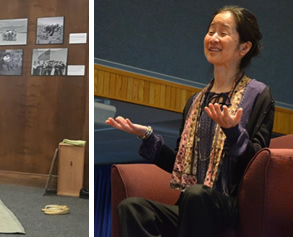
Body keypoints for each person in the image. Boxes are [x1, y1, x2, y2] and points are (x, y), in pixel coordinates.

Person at [106, 5, 274, 237]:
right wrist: (147, 136)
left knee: (196, 195)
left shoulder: (258, 94)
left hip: (230, 205)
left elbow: (259, 165)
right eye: (210, 31)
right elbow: (178, 163)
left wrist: (234, 132)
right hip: (190, 203)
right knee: (132, 209)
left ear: (244, 47)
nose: (213, 38)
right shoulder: (196, 101)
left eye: (223, 33)